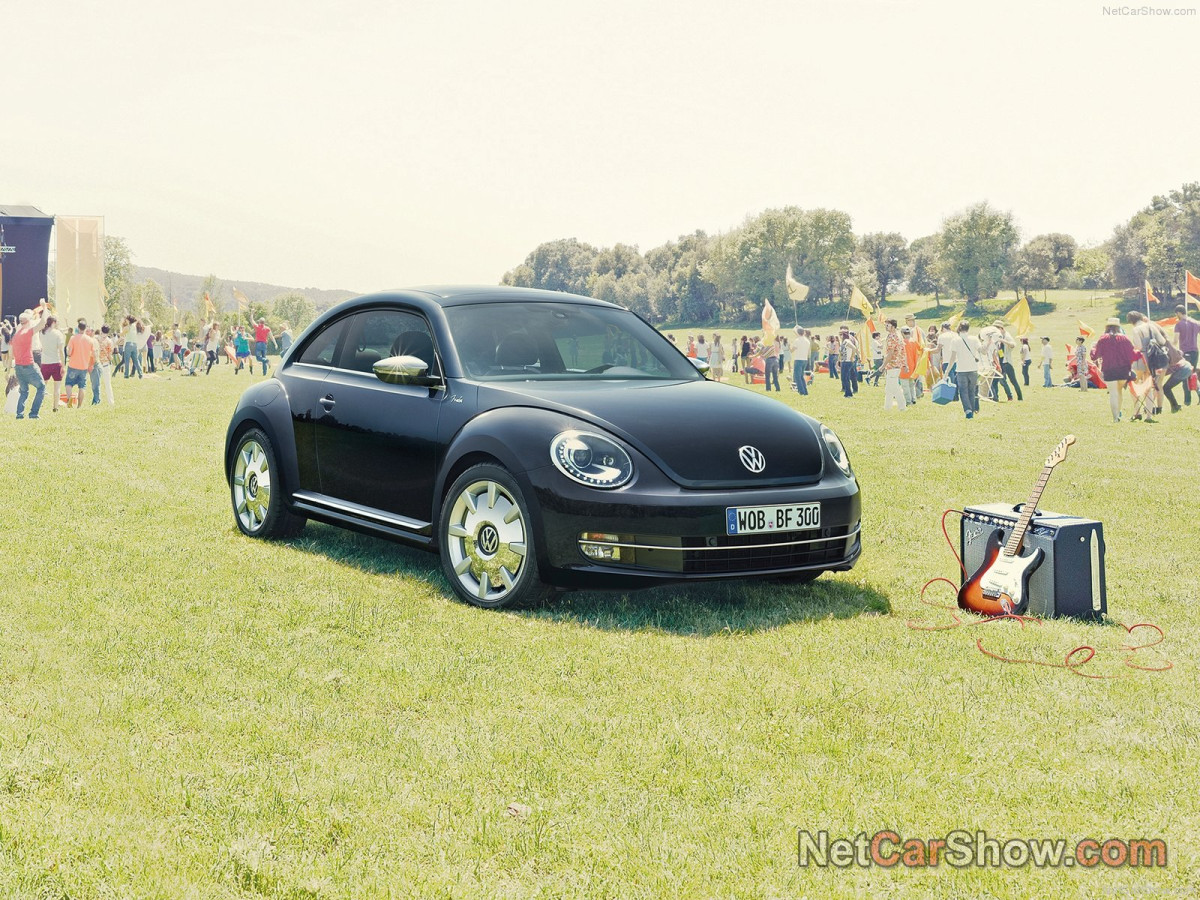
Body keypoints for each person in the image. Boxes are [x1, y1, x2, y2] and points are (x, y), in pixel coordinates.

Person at [1091, 318, 1136, 422]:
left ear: (1107, 327)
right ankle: (1118, 413)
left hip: (1109, 369)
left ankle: (1115, 417)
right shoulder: (1125, 339)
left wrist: (1092, 349)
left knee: (1113, 393)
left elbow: (1095, 356)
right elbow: (1132, 354)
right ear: (1118, 327)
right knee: (1119, 392)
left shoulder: (1103, 339)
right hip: (1124, 370)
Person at [11, 306, 48, 419]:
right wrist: (44, 306)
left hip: (18, 366)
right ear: (28, 321)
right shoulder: (27, 332)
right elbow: (42, 323)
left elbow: (11, 352)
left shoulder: (16, 335)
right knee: (41, 387)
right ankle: (33, 414)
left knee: (24, 391)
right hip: (28, 365)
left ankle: (19, 414)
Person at [1128, 311, 1168, 413]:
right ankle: (1149, 413)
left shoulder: (1136, 330)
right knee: (1149, 386)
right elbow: (1162, 341)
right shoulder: (1151, 326)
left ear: (1131, 321)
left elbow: (1138, 346)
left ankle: (1137, 411)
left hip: (1142, 360)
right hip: (1154, 359)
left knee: (1135, 384)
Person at [945, 321, 982, 419]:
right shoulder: (974, 339)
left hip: (961, 370)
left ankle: (968, 410)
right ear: (968, 328)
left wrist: (947, 371)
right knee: (972, 391)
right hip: (973, 369)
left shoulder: (955, 340)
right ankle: (972, 410)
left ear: (959, 328)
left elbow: (952, 358)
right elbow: (981, 350)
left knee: (963, 391)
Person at [64, 319, 95, 408]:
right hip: (83, 366)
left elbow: (69, 353)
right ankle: (79, 405)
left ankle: (69, 400)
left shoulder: (73, 338)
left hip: (73, 365)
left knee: (68, 384)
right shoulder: (90, 340)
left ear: (78, 328)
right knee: (82, 386)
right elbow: (92, 354)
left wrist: (68, 353)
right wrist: (91, 365)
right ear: (85, 328)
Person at [1173, 304, 1199, 406]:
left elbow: (1175, 340)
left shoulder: (1179, 324)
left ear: (1179, 313)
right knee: (1192, 374)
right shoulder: (1196, 323)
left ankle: (1187, 400)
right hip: (1195, 351)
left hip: (1185, 352)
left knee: (1185, 376)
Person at [39, 315, 66, 411]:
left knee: (43, 386)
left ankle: (39, 404)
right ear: (54, 322)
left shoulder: (42, 333)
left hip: (45, 363)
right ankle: (55, 407)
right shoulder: (58, 334)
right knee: (57, 387)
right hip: (56, 362)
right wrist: (63, 365)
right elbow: (61, 352)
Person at [881, 319, 906, 411]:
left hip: (892, 364)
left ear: (893, 326)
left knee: (895, 388)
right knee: (889, 389)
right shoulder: (898, 335)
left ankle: (902, 407)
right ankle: (887, 407)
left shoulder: (892, 337)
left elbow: (890, 353)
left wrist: (883, 365)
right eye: (886, 325)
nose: (886, 327)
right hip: (896, 364)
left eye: (888, 325)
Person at [899, 326, 919, 406]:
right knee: (911, 384)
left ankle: (908, 401)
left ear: (902, 334)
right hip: (913, 365)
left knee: (905, 386)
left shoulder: (902, 342)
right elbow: (916, 355)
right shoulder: (913, 341)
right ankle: (913, 399)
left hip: (904, 366)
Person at [838, 325, 858, 398]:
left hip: (847, 361)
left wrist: (852, 356)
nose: (840, 336)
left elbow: (854, 348)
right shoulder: (843, 341)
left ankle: (848, 393)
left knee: (845, 378)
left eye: (841, 334)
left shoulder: (847, 341)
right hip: (845, 361)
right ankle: (848, 392)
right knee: (846, 377)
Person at [792, 326, 810, 395]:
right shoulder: (807, 341)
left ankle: (801, 391)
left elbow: (792, 350)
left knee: (797, 377)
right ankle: (805, 391)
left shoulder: (797, 340)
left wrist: (789, 347)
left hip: (798, 360)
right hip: (805, 360)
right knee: (801, 376)